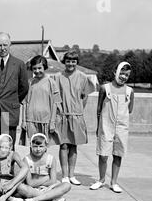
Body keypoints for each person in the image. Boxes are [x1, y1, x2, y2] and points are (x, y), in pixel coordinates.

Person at [90, 62, 134, 193]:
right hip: (106, 125)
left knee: (117, 154)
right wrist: (99, 127)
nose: (123, 77)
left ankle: (114, 182)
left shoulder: (130, 91)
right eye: (121, 73)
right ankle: (101, 179)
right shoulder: (105, 88)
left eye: (126, 75)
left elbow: (130, 109)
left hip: (121, 127)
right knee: (103, 155)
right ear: (115, 72)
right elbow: (99, 109)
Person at [55, 50, 96, 185]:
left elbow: (85, 96)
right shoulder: (58, 76)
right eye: (68, 61)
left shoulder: (83, 77)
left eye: (73, 61)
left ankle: (72, 175)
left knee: (73, 146)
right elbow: (54, 96)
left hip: (76, 115)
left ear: (77, 62)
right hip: (62, 115)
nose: (70, 64)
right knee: (63, 145)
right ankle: (65, 175)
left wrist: (79, 110)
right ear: (64, 62)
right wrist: (59, 111)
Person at [11, 133, 71, 201]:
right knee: (21, 188)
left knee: (67, 185)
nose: (38, 149)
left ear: (46, 147)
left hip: (49, 188)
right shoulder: (27, 160)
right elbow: (30, 183)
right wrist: (46, 177)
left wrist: (47, 185)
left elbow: (53, 181)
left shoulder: (51, 159)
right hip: (33, 189)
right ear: (31, 146)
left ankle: (33, 200)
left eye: (41, 146)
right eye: (35, 146)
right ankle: (51, 198)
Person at [20, 55, 61, 145]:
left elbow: (55, 104)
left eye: (39, 68)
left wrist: (52, 121)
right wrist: (23, 121)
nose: (37, 71)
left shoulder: (51, 83)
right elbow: (25, 103)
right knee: (33, 146)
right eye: (34, 68)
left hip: (46, 121)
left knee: (43, 147)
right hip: (31, 120)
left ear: (45, 67)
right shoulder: (30, 83)